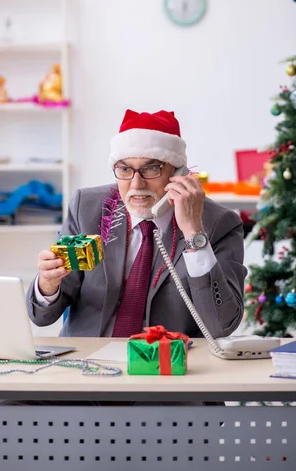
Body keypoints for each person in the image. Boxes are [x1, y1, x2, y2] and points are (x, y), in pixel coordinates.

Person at [27, 109, 247, 339]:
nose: (136, 184)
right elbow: (42, 317)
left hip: (168, 364)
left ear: (178, 172)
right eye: (124, 169)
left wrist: (194, 233)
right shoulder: (88, 208)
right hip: (89, 362)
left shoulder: (219, 223)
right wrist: (47, 285)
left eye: (151, 168)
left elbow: (222, 325)